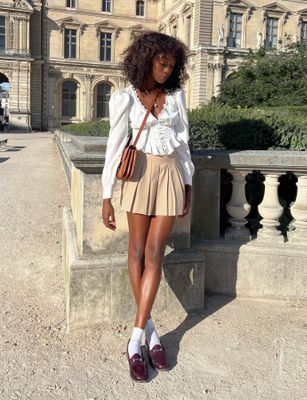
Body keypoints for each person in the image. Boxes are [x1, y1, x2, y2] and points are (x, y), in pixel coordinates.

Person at [101, 31, 194, 382]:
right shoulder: (126, 97)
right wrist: (106, 195)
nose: (167, 71)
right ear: (146, 59)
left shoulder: (176, 97)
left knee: (155, 253)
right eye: (161, 63)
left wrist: (187, 184)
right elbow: (114, 145)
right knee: (136, 251)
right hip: (138, 173)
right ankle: (152, 333)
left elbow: (183, 143)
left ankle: (135, 339)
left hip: (169, 173)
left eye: (172, 65)